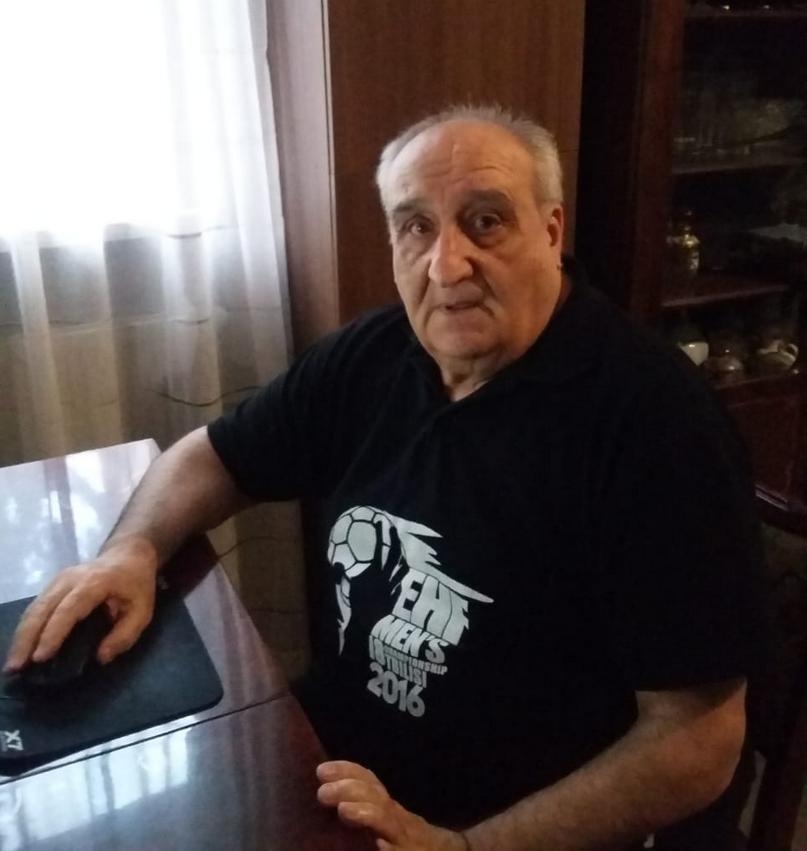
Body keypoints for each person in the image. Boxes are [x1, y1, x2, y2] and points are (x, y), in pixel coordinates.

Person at [4, 106, 763, 851]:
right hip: (336, 761)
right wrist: (130, 552)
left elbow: (698, 739)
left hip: (508, 817)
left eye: (486, 221)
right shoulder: (375, 354)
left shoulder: (656, 423)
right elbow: (213, 455)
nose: (446, 265)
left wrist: (465, 847)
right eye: (416, 226)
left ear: (551, 230)